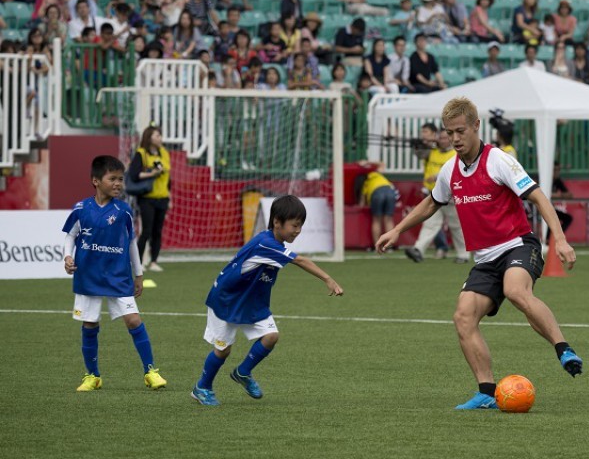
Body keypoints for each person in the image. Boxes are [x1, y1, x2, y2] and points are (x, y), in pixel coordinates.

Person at [375, 96, 583, 410]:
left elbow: (539, 197)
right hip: (485, 260)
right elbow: (432, 202)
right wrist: (397, 230)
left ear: (476, 126)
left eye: (460, 131)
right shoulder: (450, 169)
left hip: (518, 245)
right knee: (463, 316)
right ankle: (486, 391)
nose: (455, 139)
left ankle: (563, 348)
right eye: (449, 133)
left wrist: (561, 240)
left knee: (515, 291)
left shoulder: (498, 160)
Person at [191, 195, 343, 406]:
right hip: (227, 300)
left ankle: (243, 373)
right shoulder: (266, 243)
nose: (298, 230)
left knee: (271, 336)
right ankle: (202, 387)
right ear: (277, 222)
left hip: (251, 302)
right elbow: (299, 260)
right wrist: (327, 278)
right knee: (223, 349)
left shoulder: (275, 242)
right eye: (295, 225)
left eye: (301, 226)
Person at [62, 155, 167, 392]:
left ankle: (151, 372)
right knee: (90, 324)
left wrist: (138, 274)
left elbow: (131, 243)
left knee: (133, 320)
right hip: (88, 276)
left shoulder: (123, 211)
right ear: (96, 181)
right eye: (113, 179)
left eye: (121, 179)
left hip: (118, 276)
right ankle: (92, 376)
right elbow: (70, 235)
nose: (118, 183)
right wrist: (67, 257)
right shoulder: (81, 209)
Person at [404, 128, 469, 264]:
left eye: (446, 138)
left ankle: (463, 254)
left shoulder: (456, 153)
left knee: (456, 226)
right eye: (441, 138)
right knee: (430, 223)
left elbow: (459, 171)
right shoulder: (431, 152)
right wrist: (416, 144)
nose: (444, 140)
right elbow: (420, 153)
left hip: (451, 196)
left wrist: (438, 176)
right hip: (432, 195)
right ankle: (418, 249)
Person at [129, 126, 171, 272]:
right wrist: (151, 173)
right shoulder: (141, 153)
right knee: (146, 230)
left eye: (160, 135)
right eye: (157, 135)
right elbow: (134, 175)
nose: (160, 138)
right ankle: (138, 263)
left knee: (157, 231)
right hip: (146, 198)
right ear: (149, 137)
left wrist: (169, 195)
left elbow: (167, 176)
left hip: (162, 197)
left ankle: (153, 261)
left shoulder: (164, 153)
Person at [355, 160, 396, 249]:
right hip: (390, 191)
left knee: (377, 220)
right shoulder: (377, 174)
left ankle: (377, 245)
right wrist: (368, 162)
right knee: (388, 219)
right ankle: (390, 246)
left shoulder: (365, 183)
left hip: (377, 193)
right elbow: (382, 163)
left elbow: (361, 204)